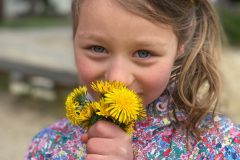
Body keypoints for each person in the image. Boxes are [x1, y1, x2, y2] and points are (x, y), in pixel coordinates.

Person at [25, 0, 240, 159]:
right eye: (97, 48)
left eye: (143, 53)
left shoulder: (219, 146)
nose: (117, 79)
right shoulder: (46, 147)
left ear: (181, 43)